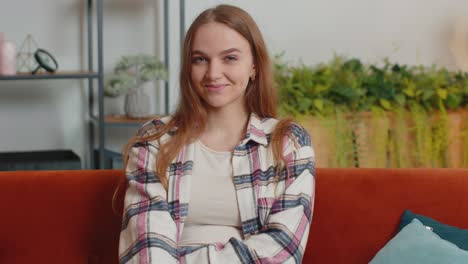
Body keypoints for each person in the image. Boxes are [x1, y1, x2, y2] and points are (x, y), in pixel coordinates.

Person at [119, 4, 315, 264]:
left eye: (230, 58)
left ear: (254, 66)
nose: (212, 73)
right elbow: (147, 248)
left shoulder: (288, 142)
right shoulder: (155, 141)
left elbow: (282, 251)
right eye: (200, 59)